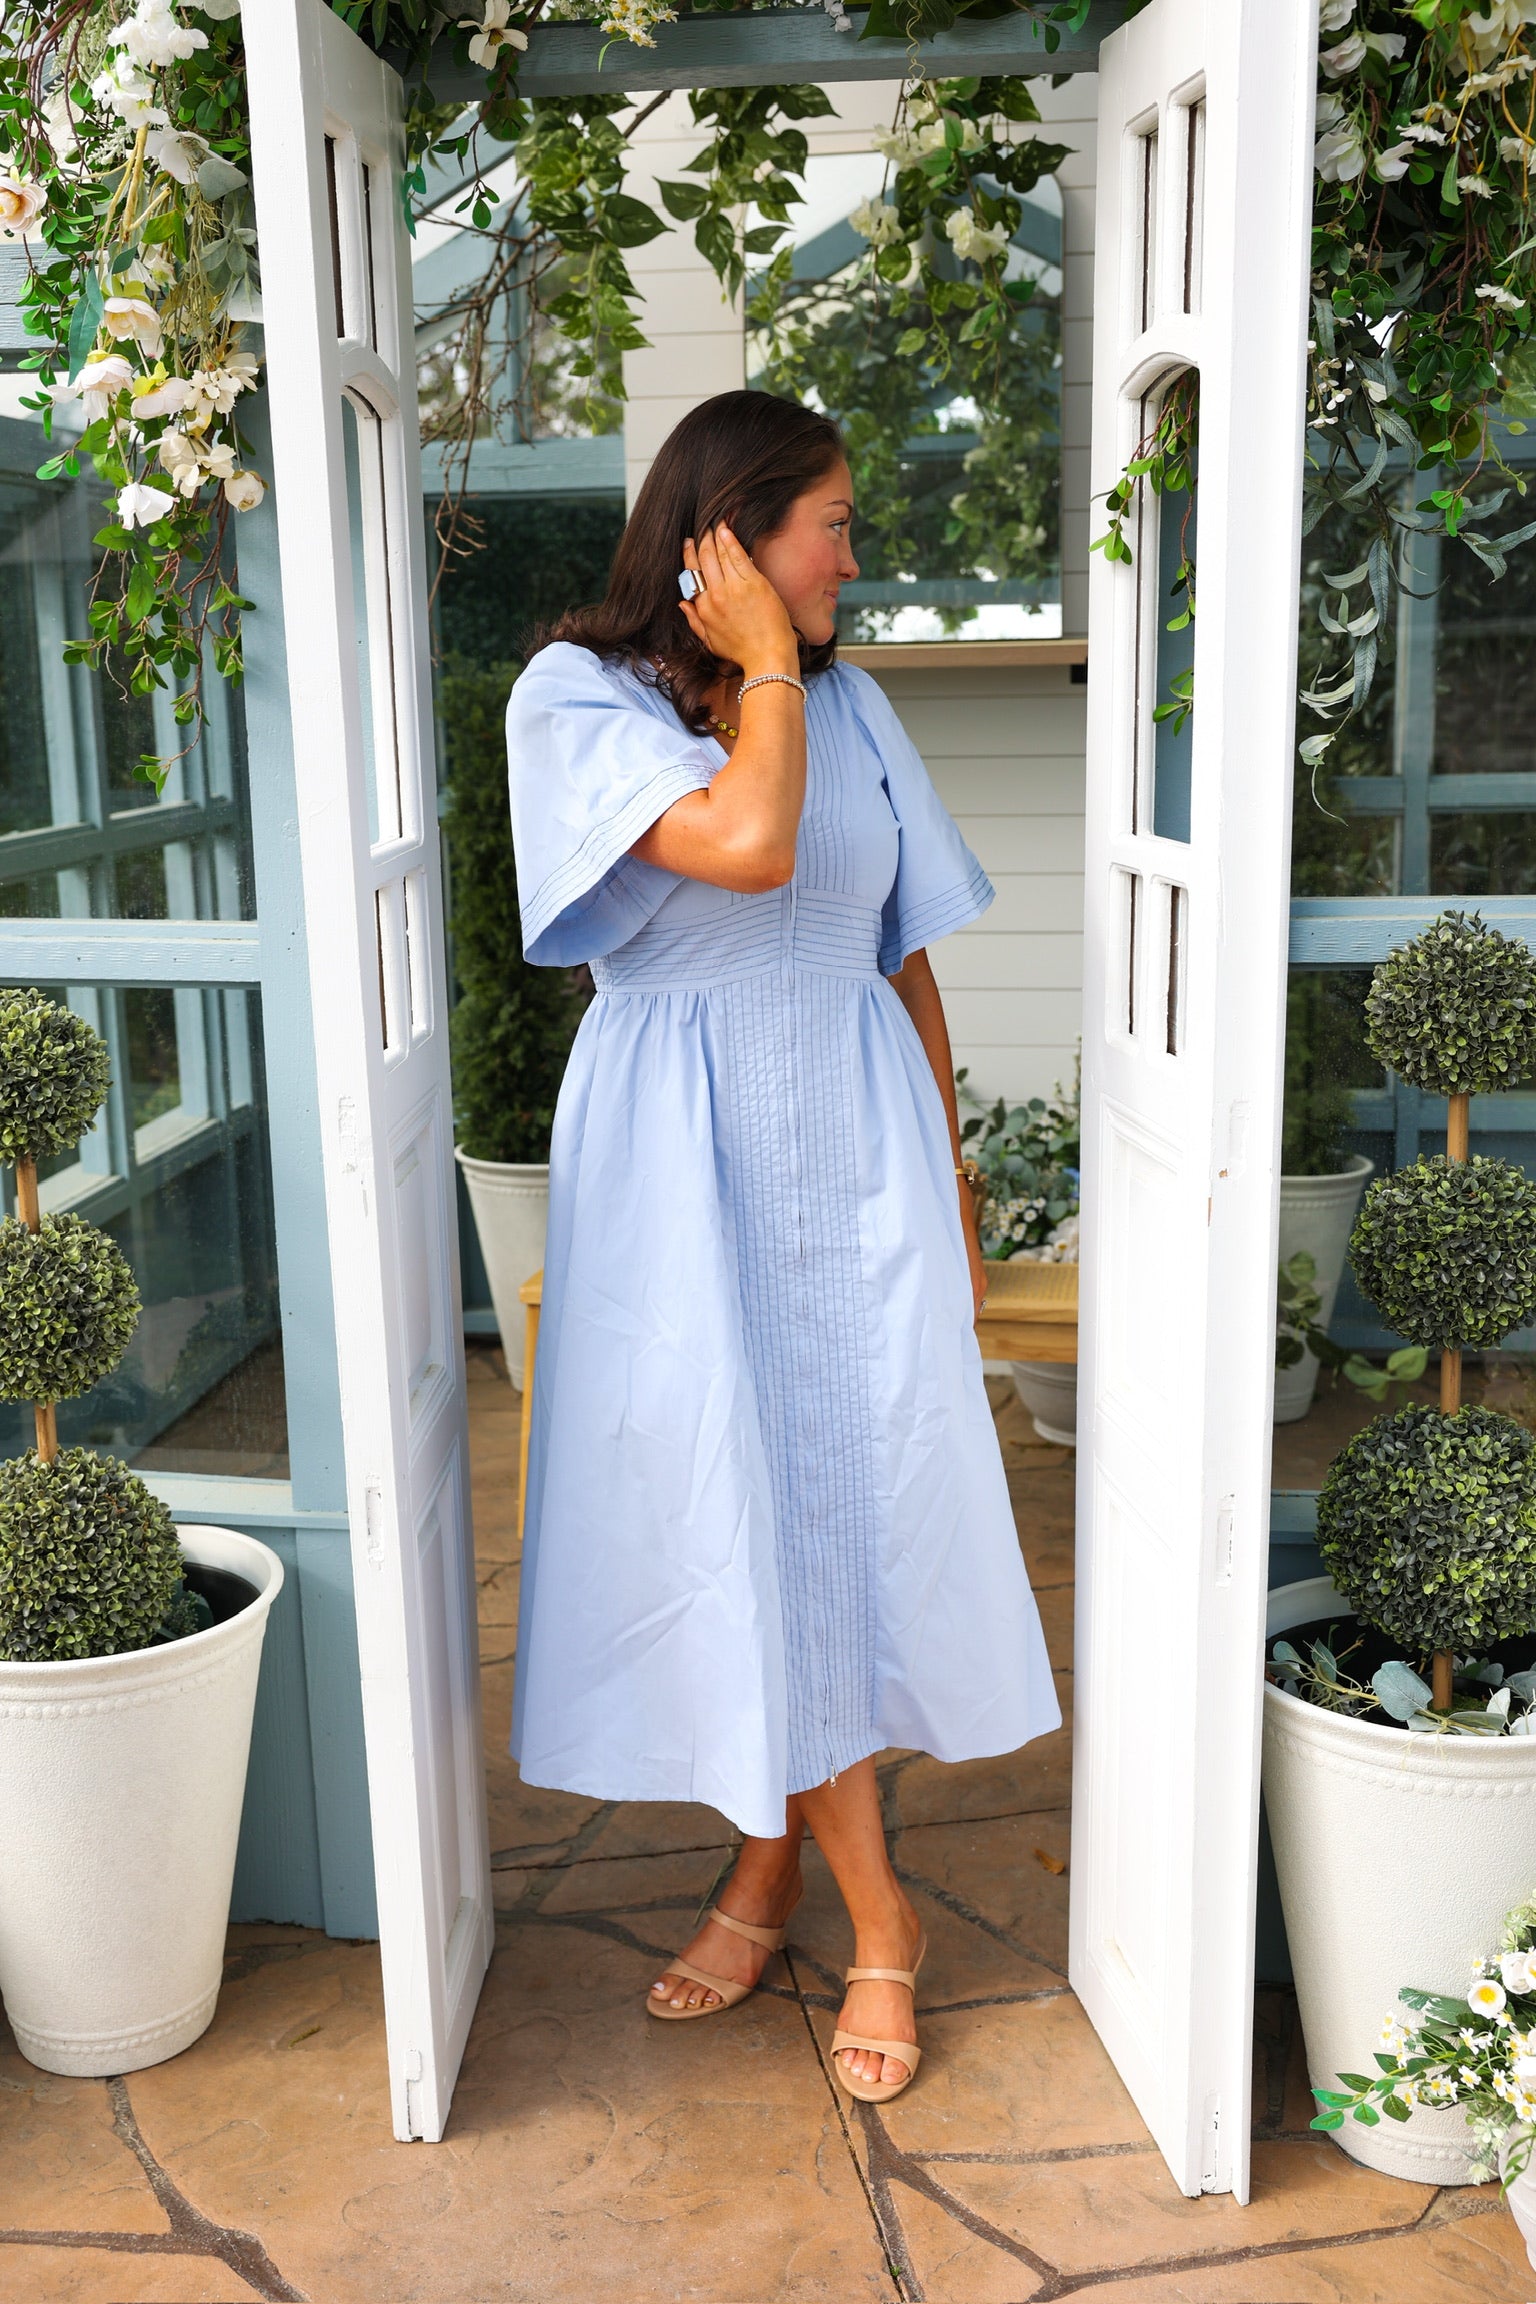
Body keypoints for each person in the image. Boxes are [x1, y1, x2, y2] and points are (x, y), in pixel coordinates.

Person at [505, 389, 1057, 2104]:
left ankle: (765, 1872)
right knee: (740, 1504)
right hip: (685, 1159)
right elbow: (746, 846)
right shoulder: (575, 696)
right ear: (731, 536)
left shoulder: (854, 701)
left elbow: (906, 951)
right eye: (832, 524)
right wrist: (758, 664)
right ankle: (880, 1919)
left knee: (847, 1506)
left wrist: (953, 1180)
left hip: (858, 1143)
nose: (855, 559)